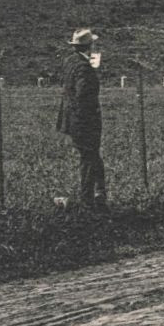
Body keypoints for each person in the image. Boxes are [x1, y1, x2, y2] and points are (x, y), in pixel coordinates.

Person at [57, 28, 107, 209]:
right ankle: (88, 200)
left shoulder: (71, 61)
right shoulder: (84, 68)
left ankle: (98, 193)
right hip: (84, 120)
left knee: (92, 156)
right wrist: (90, 117)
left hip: (73, 119)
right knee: (89, 158)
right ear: (89, 46)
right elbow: (83, 95)